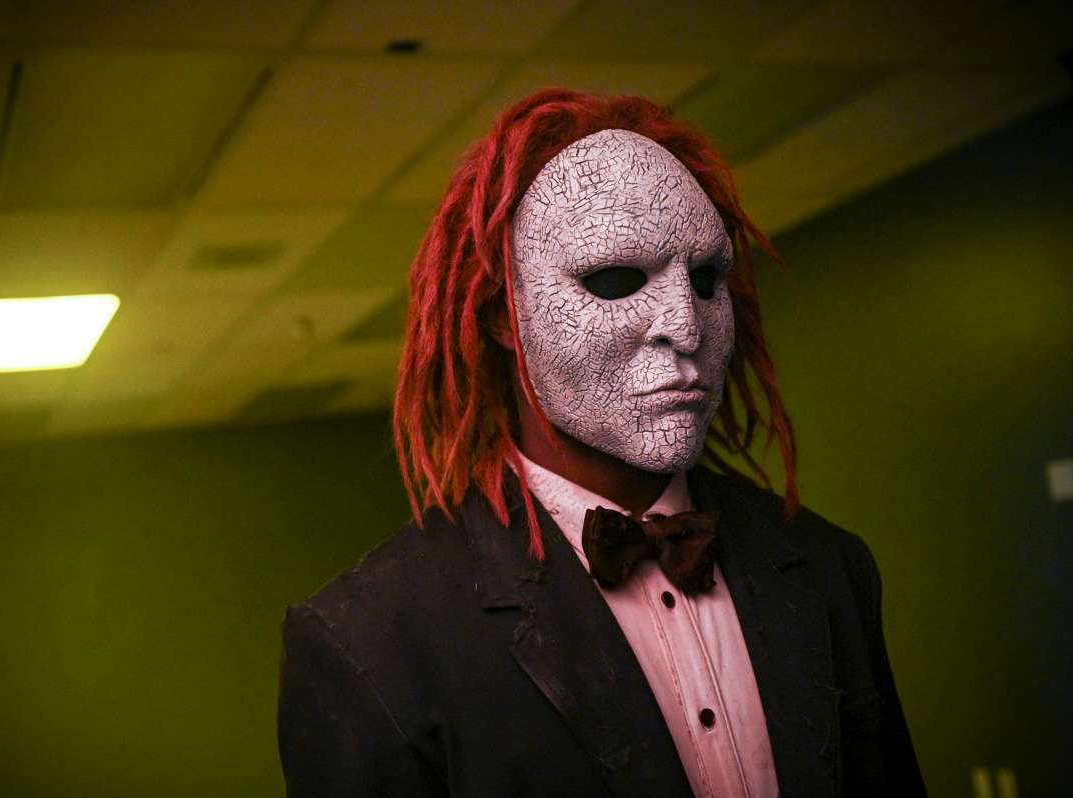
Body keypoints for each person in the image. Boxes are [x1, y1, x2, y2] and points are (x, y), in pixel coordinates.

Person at [277, 88, 926, 797]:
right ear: (502, 316)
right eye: (614, 279)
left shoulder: (831, 569)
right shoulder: (369, 644)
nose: (685, 324)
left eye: (706, 278)